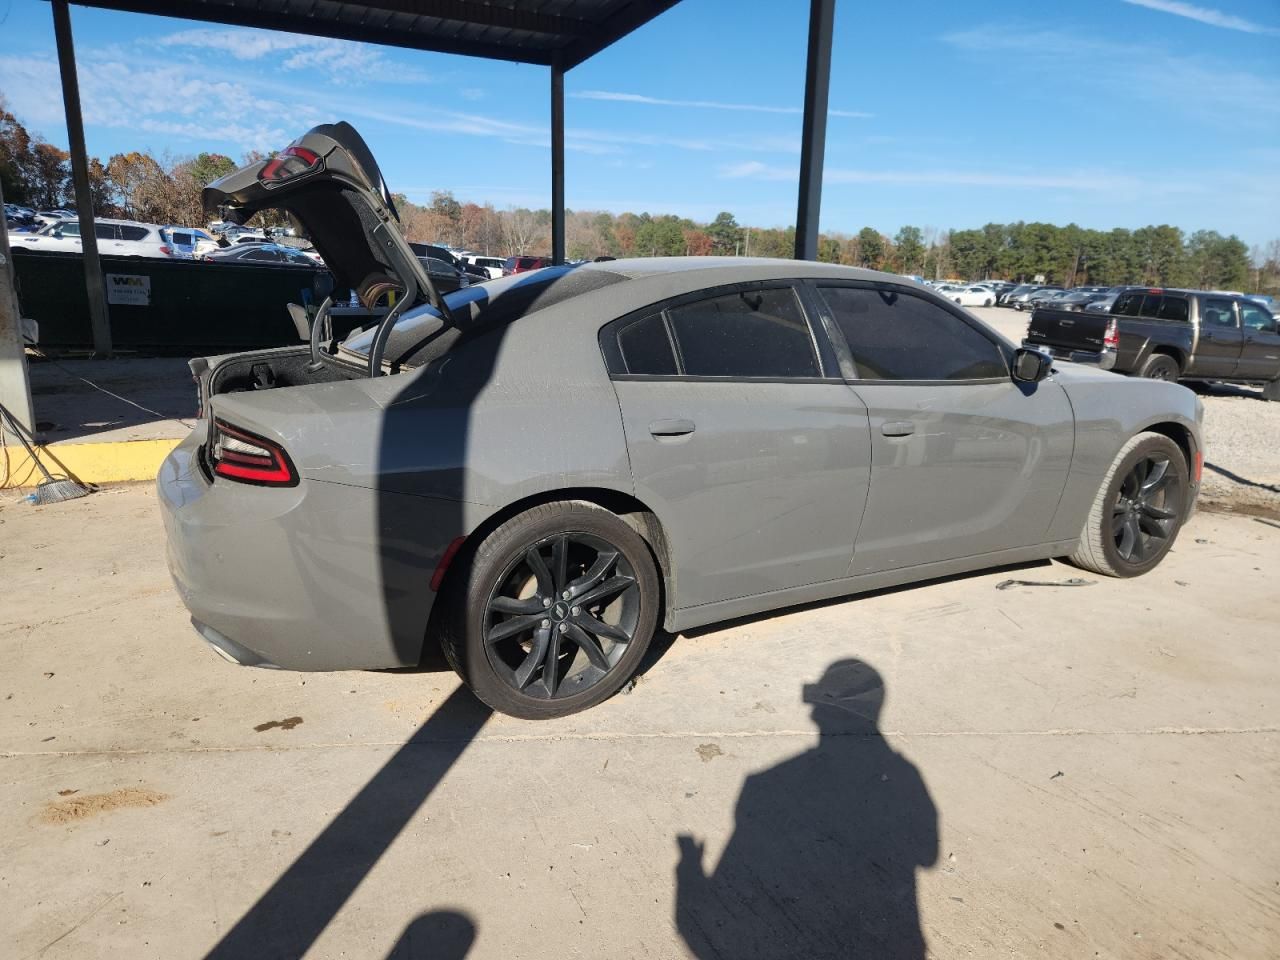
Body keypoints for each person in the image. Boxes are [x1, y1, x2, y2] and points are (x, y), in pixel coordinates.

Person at [675, 659, 938, 959]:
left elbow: (700, 930)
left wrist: (687, 868)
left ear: (816, 713)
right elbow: (928, 856)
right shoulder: (905, 775)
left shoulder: (762, 784)